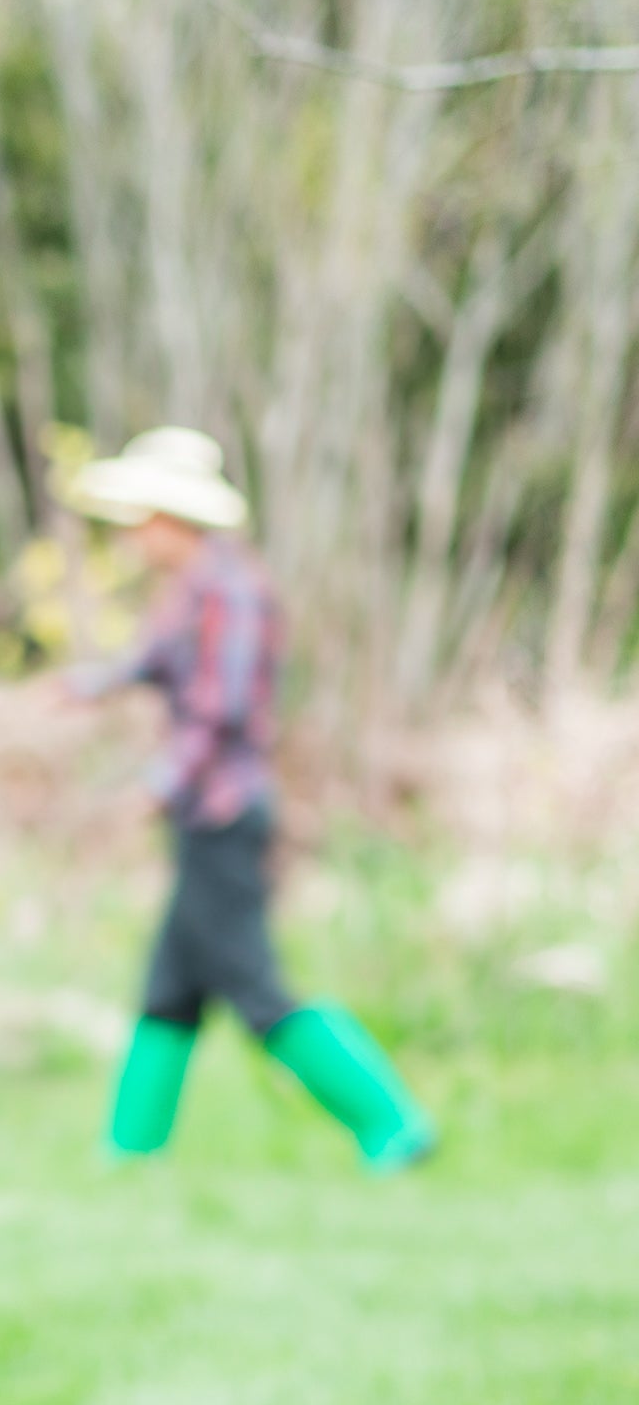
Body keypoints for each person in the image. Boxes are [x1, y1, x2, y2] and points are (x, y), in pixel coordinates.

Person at [65, 427, 435, 1170]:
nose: (132, 535)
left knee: (255, 988)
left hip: (225, 813)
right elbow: (154, 661)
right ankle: (131, 1151)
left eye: (140, 519)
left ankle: (392, 1123)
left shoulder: (232, 592)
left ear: (173, 520)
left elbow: (222, 711)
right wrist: (87, 686)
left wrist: (155, 786)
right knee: (170, 985)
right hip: (204, 818)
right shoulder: (197, 590)